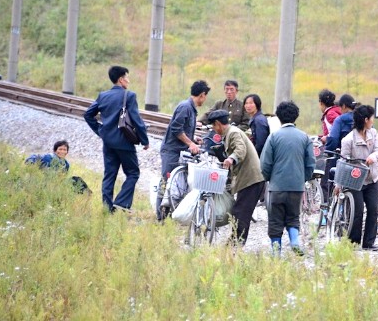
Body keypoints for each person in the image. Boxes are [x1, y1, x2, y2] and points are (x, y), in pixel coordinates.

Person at [84, 66, 149, 213]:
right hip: (125, 142)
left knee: (109, 174)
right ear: (121, 79)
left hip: (108, 143)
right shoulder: (129, 96)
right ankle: (121, 203)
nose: (128, 80)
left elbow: (88, 114)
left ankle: (107, 208)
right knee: (133, 173)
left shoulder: (103, 96)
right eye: (127, 77)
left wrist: (100, 130)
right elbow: (137, 120)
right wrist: (145, 140)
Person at [260, 101, 315, 255]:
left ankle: (276, 252)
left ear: (279, 117)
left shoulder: (274, 137)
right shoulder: (304, 137)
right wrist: (302, 178)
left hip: (277, 186)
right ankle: (295, 242)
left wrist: (270, 178)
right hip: (297, 186)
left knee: (275, 219)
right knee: (293, 216)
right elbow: (310, 163)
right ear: (296, 116)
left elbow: (265, 163)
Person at [207, 109, 266, 246]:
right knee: (239, 212)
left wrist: (231, 159)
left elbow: (240, 150)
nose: (214, 130)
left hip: (251, 180)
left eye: (213, 127)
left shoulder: (233, 133)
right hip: (248, 180)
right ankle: (235, 243)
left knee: (241, 213)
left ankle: (235, 245)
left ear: (218, 124)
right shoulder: (229, 134)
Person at [156, 80, 211, 221]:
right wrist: (190, 143)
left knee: (175, 184)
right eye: (205, 97)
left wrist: (194, 139)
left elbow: (183, 130)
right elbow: (176, 129)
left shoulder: (190, 108)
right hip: (171, 150)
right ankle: (160, 217)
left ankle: (169, 215)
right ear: (202, 95)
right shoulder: (185, 107)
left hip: (179, 151)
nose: (205, 100)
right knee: (166, 181)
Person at [340, 105, 378, 250]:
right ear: (365, 120)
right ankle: (353, 242)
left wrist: (374, 156)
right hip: (355, 182)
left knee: (373, 210)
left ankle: (369, 243)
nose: (373, 120)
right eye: (371, 118)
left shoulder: (374, 133)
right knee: (357, 212)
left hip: (372, 179)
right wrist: (339, 185)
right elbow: (343, 162)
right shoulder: (348, 140)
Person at [322, 94, 356, 201]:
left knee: (328, 181)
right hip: (357, 158)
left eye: (341, 107)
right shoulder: (360, 118)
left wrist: (328, 149)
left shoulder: (340, 120)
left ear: (344, 106)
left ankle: (327, 208)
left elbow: (333, 138)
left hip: (340, 156)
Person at [24, 140, 90, 194]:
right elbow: (33, 158)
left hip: (57, 185)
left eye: (64, 150)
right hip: (44, 184)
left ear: (67, 152)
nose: (62, 151)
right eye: (60, 149)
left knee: (77, 180)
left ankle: (86, 197)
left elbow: (62, 177)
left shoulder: (66, 164)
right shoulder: (48, 157)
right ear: (55, 150)